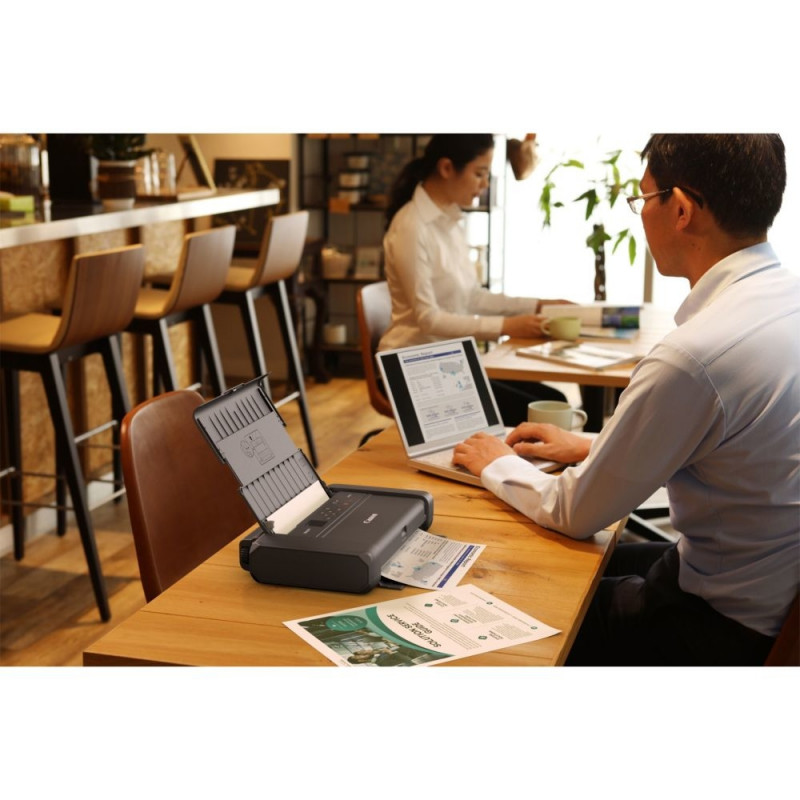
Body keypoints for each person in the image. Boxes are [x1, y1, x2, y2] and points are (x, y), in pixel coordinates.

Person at [452, 134, 799, 666]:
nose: (640, 215)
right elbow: (738, 445)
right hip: (770, 591)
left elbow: (573, 511)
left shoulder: (693, 357)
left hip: (719, 627)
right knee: (597, 561)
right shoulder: (785, 301)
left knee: (510, 592)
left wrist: (496, 462)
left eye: (642, 199)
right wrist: (594, 445)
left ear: (680, 209)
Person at [379, 134, 573, 425]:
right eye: (479, 173)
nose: (484, 184)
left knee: (554, 401)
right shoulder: (412, 226)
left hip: (448, 363)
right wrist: (506, 326)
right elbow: (428, 319)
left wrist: (536, 306)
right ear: (446, 168)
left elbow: (472, 296)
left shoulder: (450, 220)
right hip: (413, 368)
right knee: (542, 413)